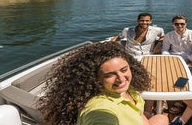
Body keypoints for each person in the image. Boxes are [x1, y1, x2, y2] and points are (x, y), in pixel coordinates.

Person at [38, 42, 169, 125]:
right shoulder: (99, 110)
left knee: (162, 118)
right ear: (94, 78)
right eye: (109, 75)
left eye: (124, 70)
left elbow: (138, 114)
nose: (121, 78)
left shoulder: (128, 90)